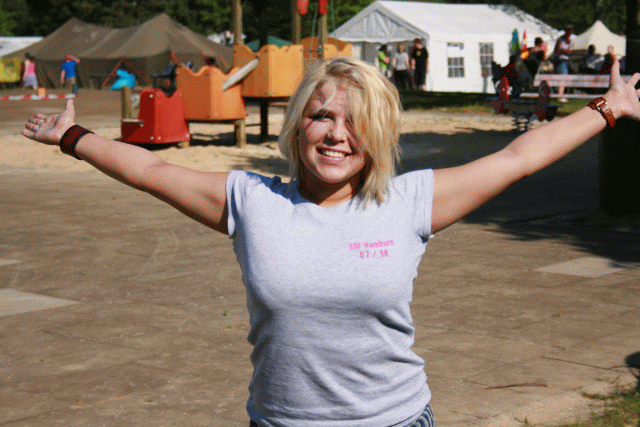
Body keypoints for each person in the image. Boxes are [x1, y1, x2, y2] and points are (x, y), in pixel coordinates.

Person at [21, 56, 640, 427]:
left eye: (356, 122)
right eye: (321, 116)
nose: (337, 134)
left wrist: (608, 108)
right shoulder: (251, 200)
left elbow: (518, 158)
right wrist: (73, 137)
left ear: (378, 135)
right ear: (298, 127)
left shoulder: (409, 201)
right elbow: (151, 169)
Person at [553, 24, 574, 102]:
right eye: (568, 30)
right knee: (563, 77)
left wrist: (570, 51)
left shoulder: (571, 40)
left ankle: (561, 95)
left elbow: (571, 51)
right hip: (559, 60)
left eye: (570, 30)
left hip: (566, 60)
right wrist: (564, 51)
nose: (569, 31)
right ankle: (560, 96)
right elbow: (556, 51)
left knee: (564, 78)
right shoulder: (560, 40)